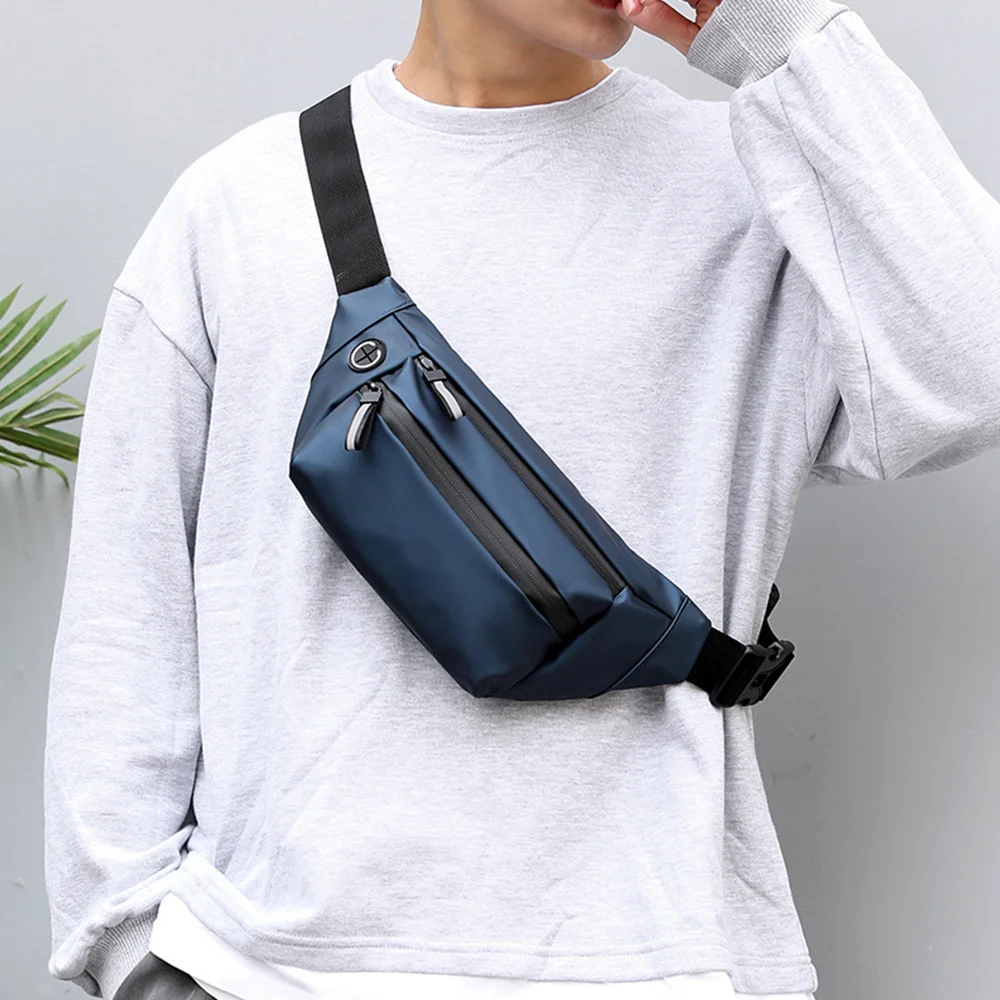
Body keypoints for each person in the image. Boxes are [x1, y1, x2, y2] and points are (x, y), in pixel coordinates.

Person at [43, 0, 1000, 997]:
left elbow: (974, 374)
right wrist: (131, 950)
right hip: (269, 968)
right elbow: (128, 614)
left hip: (652, 959)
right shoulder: (240, 206)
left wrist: (782, 34)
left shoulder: (755, 192)